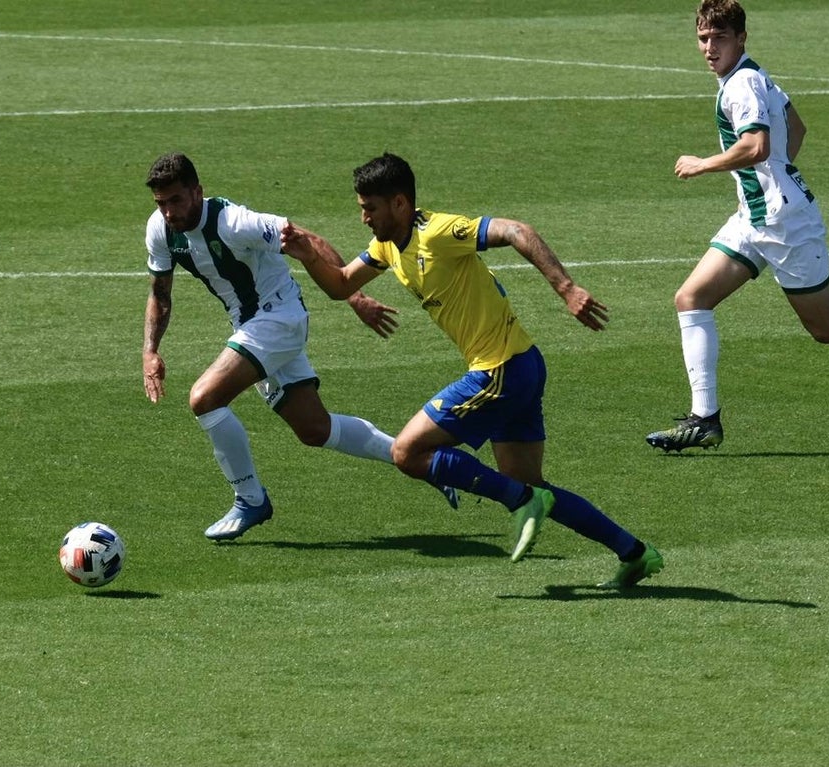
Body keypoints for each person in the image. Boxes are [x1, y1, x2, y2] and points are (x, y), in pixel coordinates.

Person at [281, 152, 662, 588]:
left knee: (407, 453)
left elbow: (518, 231)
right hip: (521, 365)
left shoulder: (440, 231)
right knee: (529, 479)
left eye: (371, 208)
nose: (364, 218)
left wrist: (567, 287)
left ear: (400, 204)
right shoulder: (387, 245)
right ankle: (634, 553)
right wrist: (308, 254)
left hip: (500, 370)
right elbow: (342, 285)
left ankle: (521, 501)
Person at [646, 0, 829, 452]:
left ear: (741, 38)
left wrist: (705, 164)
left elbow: (757, 145)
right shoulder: (752, 75)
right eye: (703, 38)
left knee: (828, 328)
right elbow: (796, 127)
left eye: (719, 38)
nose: (709, 48)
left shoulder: (741, 84)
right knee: (691, 298)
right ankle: (704, 418)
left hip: (783, 224)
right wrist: (776, 179)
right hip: (757, 215)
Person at [141, 151, 457, 541]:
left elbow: (310, 240)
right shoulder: (160, 229)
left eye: (176, 200)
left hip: (279, 319)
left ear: (197, 192)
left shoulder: (235, 222)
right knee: (315, 429)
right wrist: (150, 350)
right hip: (252, 327)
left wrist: (354, 298)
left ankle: (249, 499)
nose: (169, 212)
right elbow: (160, 292)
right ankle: (428, 463)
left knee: (204, 398)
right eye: (161, 203)